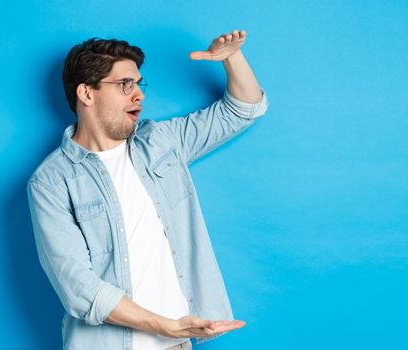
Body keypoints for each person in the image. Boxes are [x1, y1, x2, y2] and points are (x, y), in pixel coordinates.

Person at [27, 29, 268, 350]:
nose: (138, 94)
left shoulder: (162, 142)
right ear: (87, 94)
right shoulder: (51, 182)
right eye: (125, 85)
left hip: (176, 344)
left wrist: (232, 58)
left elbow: (243, 109)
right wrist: (165, 325)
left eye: (139, 84)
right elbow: (78, 287)